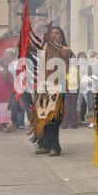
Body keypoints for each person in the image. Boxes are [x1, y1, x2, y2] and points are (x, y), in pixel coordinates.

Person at [31, 26, 73, 157]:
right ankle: (45, 145)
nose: (54, 35)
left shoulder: (66, 49)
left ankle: (55, 147)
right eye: (52, 33)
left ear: (61, 37)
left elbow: (64, 54)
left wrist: (49, 42)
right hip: (44, 86)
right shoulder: (45, 49)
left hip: (57, 87)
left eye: (57, 33)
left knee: (53, 118)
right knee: (43, 117)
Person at [61, 52, 79, 129]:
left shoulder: (77, 68)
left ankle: (73, 122)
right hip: (67, 89)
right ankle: (65, 122)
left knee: (73, 106)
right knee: (67, 106)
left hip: (75, 89)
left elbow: (79, 78)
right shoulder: (66, 68)